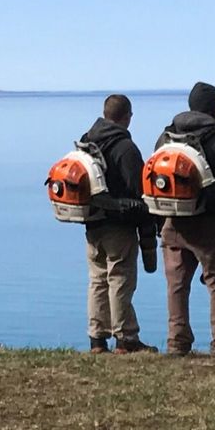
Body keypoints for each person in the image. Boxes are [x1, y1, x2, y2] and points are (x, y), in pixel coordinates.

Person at [153, 82, 215, 358]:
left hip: (173, 222)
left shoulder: (166, 138)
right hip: (212, 225)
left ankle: (177, 342)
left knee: (176, 286)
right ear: (213, 109)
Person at [80, 93, 156, 354]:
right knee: (120, 280)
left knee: (97, 280)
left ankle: (97, 339)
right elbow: (140, 189)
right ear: (127, 117)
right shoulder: (125, 148)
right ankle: (126, 338)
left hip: (92, 223)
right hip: (119, 225)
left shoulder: (87, 141)